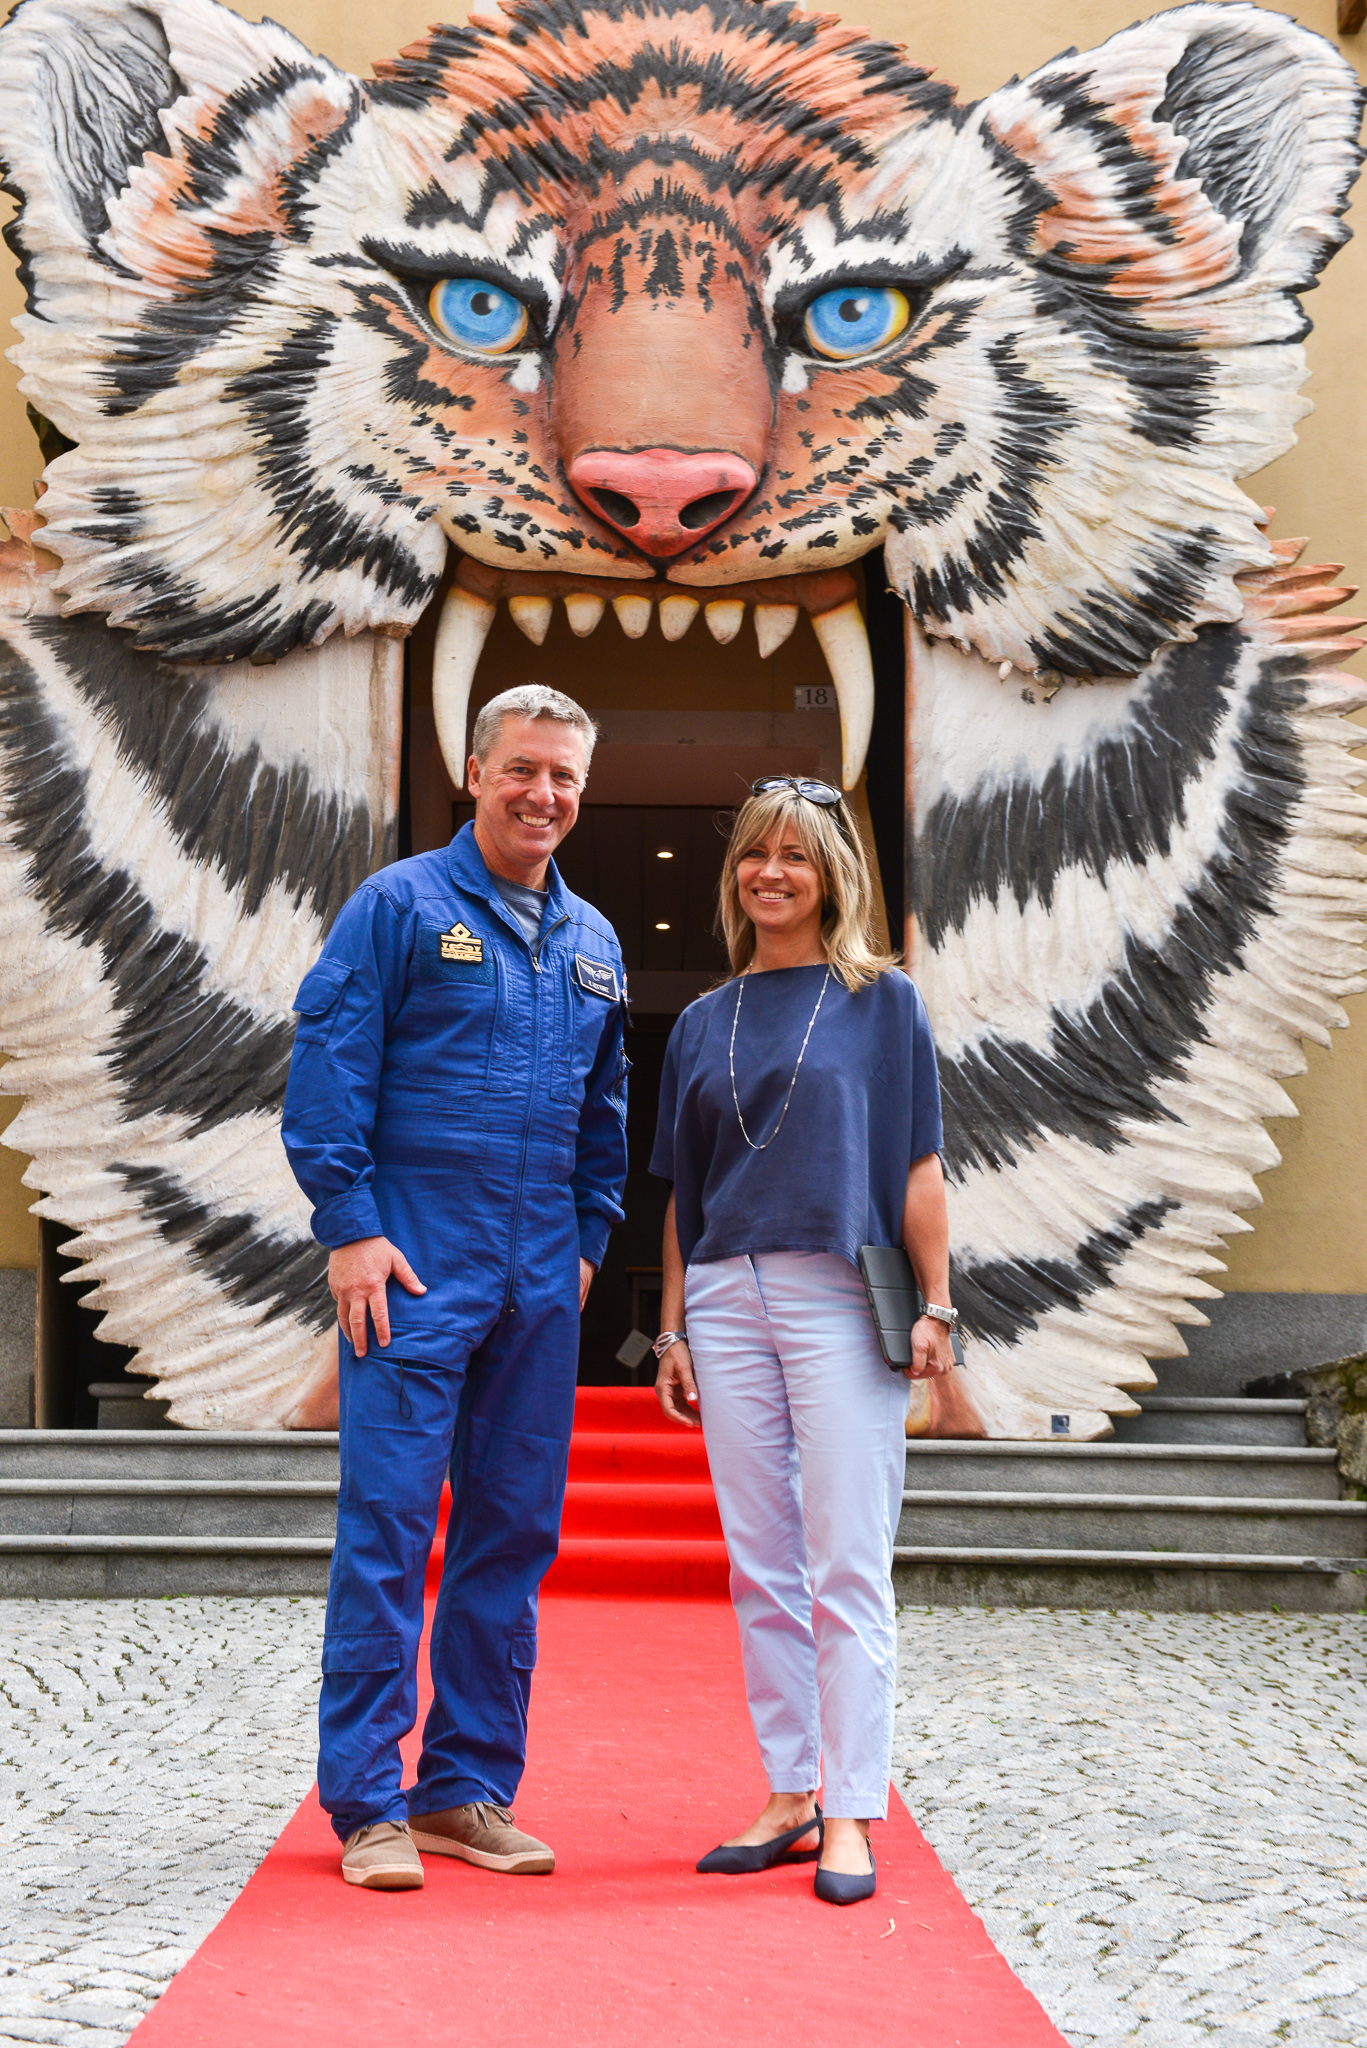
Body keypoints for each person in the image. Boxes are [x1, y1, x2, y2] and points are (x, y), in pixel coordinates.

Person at [282, 684, 628, 1892]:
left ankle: (463, 1787)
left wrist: (588, 1238)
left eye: (564, 775)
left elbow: (604, 1107)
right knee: (387, 1527)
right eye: (522, 768)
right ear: (473, 772)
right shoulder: (398, 905)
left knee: (511, 1532)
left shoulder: (594, 941)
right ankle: (368, 1801)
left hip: (538, 1277)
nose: (543, 793)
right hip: (414, 1264)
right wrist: (350, 1229)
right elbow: (327, 1066)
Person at [650, 777, 955, 1907]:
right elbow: (681, 1195)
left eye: (794, 856)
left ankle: (851, 1809)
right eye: (752, 854)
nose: (769, 873)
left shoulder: (884, 1002)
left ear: (833, 875)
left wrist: (937, 1304)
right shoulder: (701, 1021)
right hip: (725, 1295)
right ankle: (787, 1791)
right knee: (760, 1560)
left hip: (838, 1290)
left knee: (846, 1559)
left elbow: (918, 1166)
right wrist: (671, 1327)